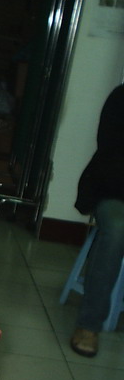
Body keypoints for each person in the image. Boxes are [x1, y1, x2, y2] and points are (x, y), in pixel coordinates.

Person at [71, 84, 124, 357]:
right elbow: (111, 156)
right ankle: (89, 324)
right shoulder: (120, 98)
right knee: (117, 228)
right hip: (115, 189)